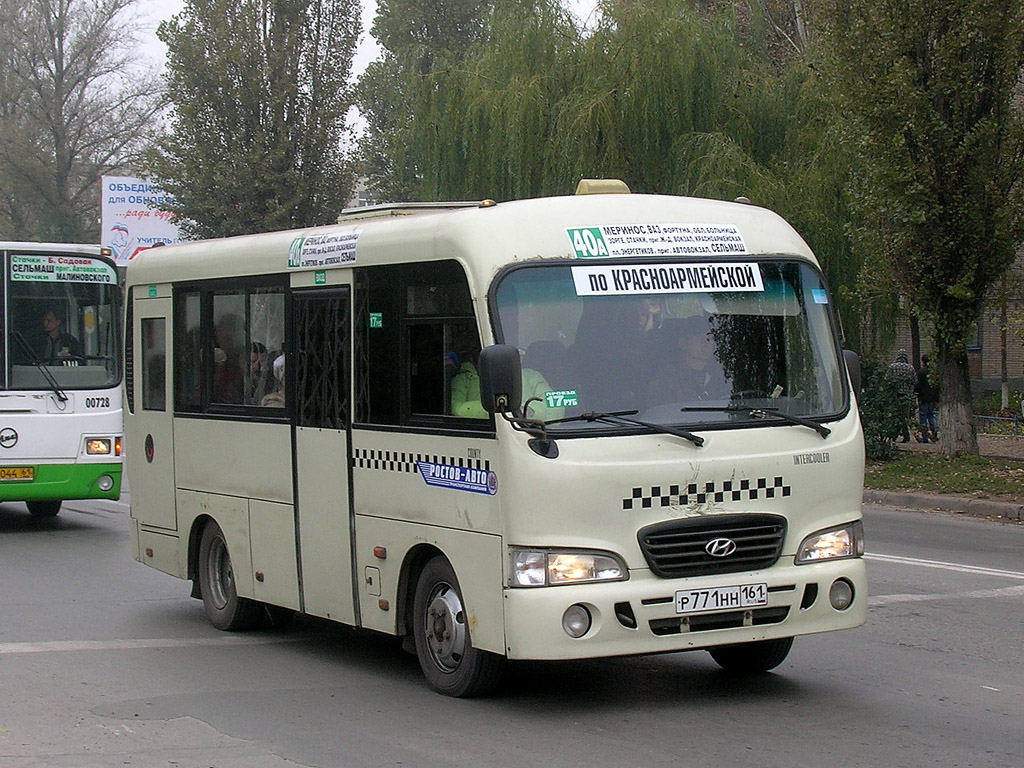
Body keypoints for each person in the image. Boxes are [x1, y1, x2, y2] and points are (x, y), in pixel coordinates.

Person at [642, 315, 730, 407]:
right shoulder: (665, 379)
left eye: (710, 338)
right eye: (698, 338)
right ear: (682, 343)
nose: (706, 343)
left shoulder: (723, 374)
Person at [887, 349, 917, 443]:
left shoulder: (892, 367)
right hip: (907, 396)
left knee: (896, 415)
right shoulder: (910, 368)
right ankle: (905, 435)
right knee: (904, 416)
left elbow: (887, 379)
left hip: (895, 395)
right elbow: (915, 381)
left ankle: (894, 435)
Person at [915, 354, 939, 443]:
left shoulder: (921, 372)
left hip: (923, 397)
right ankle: (934, 431)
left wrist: (917, 394)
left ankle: (925, 437)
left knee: (923, 416)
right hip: (932, 398)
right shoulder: (933, 372)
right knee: (931, 415)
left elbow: (918, 385)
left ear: (923, 362)